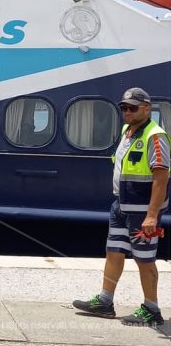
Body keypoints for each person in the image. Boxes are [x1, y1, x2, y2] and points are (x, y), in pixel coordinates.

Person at [73, 87, 169, 326]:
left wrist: (151, 216)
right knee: (114, 251)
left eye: (133, 108)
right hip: (121, 205)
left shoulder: (155, 136)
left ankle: (152, 309)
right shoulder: (128, 132)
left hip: (142, 211)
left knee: (144, 259)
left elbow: (161, 177)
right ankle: (104, 302)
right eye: (124, 107)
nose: (127, 112)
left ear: (147, 108)